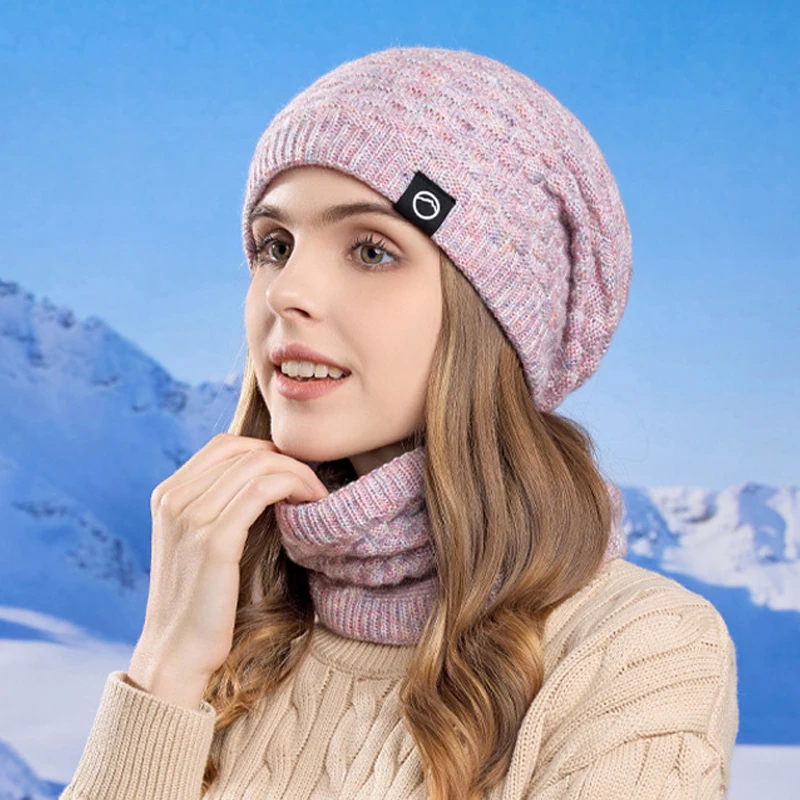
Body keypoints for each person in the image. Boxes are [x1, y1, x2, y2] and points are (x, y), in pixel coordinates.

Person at [60, 46, 738, 800]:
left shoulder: (635, 651)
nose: (288, 291)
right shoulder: (232, 628)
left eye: (373, 250)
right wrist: (162, 672)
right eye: (274, 246)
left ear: (494, 319)